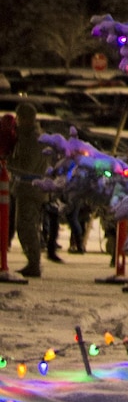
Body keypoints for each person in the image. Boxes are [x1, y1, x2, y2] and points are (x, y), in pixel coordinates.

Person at [11, 100, 45, 279]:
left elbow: (26, 166)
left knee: (26, 226)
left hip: (30, 189)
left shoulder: (32, 139)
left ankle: (34, 262)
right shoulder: (29, 137)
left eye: (19, 118)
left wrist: (8, 162)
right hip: (29, 188)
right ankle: (33, 261)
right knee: (26, 225)